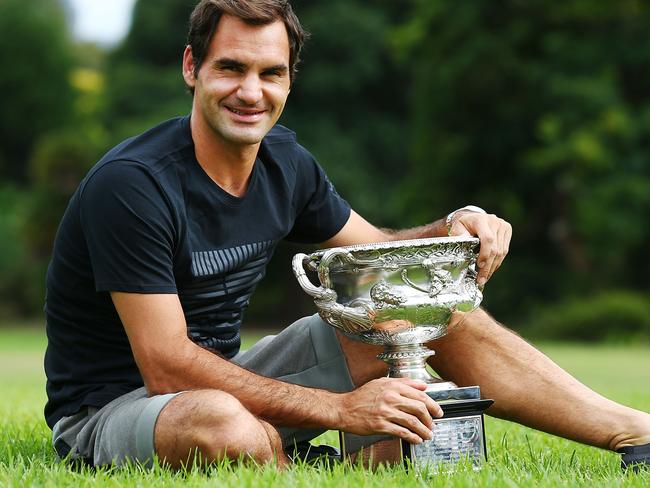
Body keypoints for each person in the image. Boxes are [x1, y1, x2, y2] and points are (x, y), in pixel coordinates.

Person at [44, 0, 650, 472]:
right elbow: (168, 371)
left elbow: (377, 259)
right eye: (231, 67)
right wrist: (340, 409)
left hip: (224, 377)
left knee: (421, 307)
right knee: (222, 424)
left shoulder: (286, 163)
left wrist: (452, 230)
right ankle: (317, 458)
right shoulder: (133, 186)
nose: (251, 92)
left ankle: (634, 431)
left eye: (270, 72)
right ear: (191, 67)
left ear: (289, 80)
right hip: (114, 409)